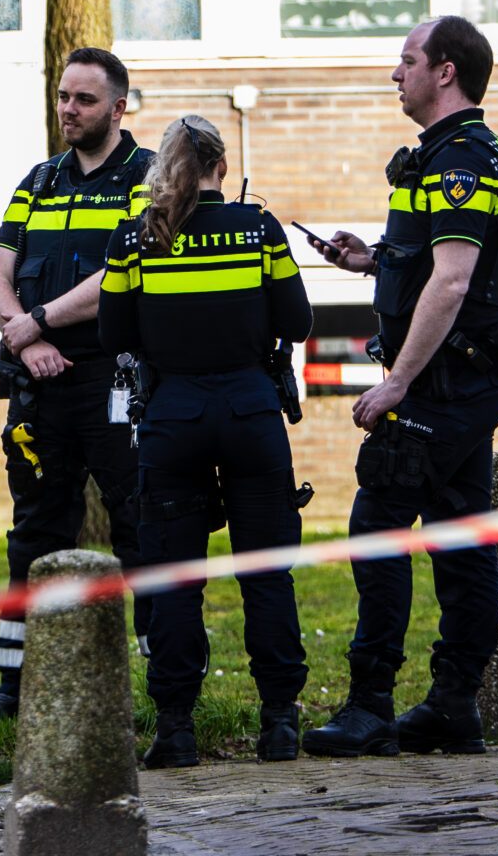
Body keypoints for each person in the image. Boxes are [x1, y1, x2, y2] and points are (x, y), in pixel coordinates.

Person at [301, 16, 498, 759]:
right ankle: (454, 707)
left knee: (379, 526)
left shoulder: (461, 158)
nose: (396, 74)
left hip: (444, 382)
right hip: (459, 378)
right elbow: (435, 259)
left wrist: (397, 382)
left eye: (407, 61)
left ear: (445, 71)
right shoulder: (446, 153)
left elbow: (455, 280)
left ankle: (371, 706)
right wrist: (373, 259)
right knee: (460, 534)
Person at [98, 114, 313, 768]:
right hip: (251, 415)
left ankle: (175, 730)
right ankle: (279, 723)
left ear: (162, 168)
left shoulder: (137, 237)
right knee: (266, 572)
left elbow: (113, 335)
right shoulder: (260, 230)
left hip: (173, 420)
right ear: (222, 165)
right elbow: (298, 320)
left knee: (175, 578)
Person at [0, 48, 155, 725]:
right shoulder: (39, 180)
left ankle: (163, 688)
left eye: (84, 99)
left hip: (114, 379)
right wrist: (29, 338)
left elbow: (125, 271)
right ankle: (16, 686)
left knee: (138, 525)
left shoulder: (147, 176)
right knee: (35, 530)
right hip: (39, 381)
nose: (68, 110)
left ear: (118, 108)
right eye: (62, 96)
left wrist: (40, 321)